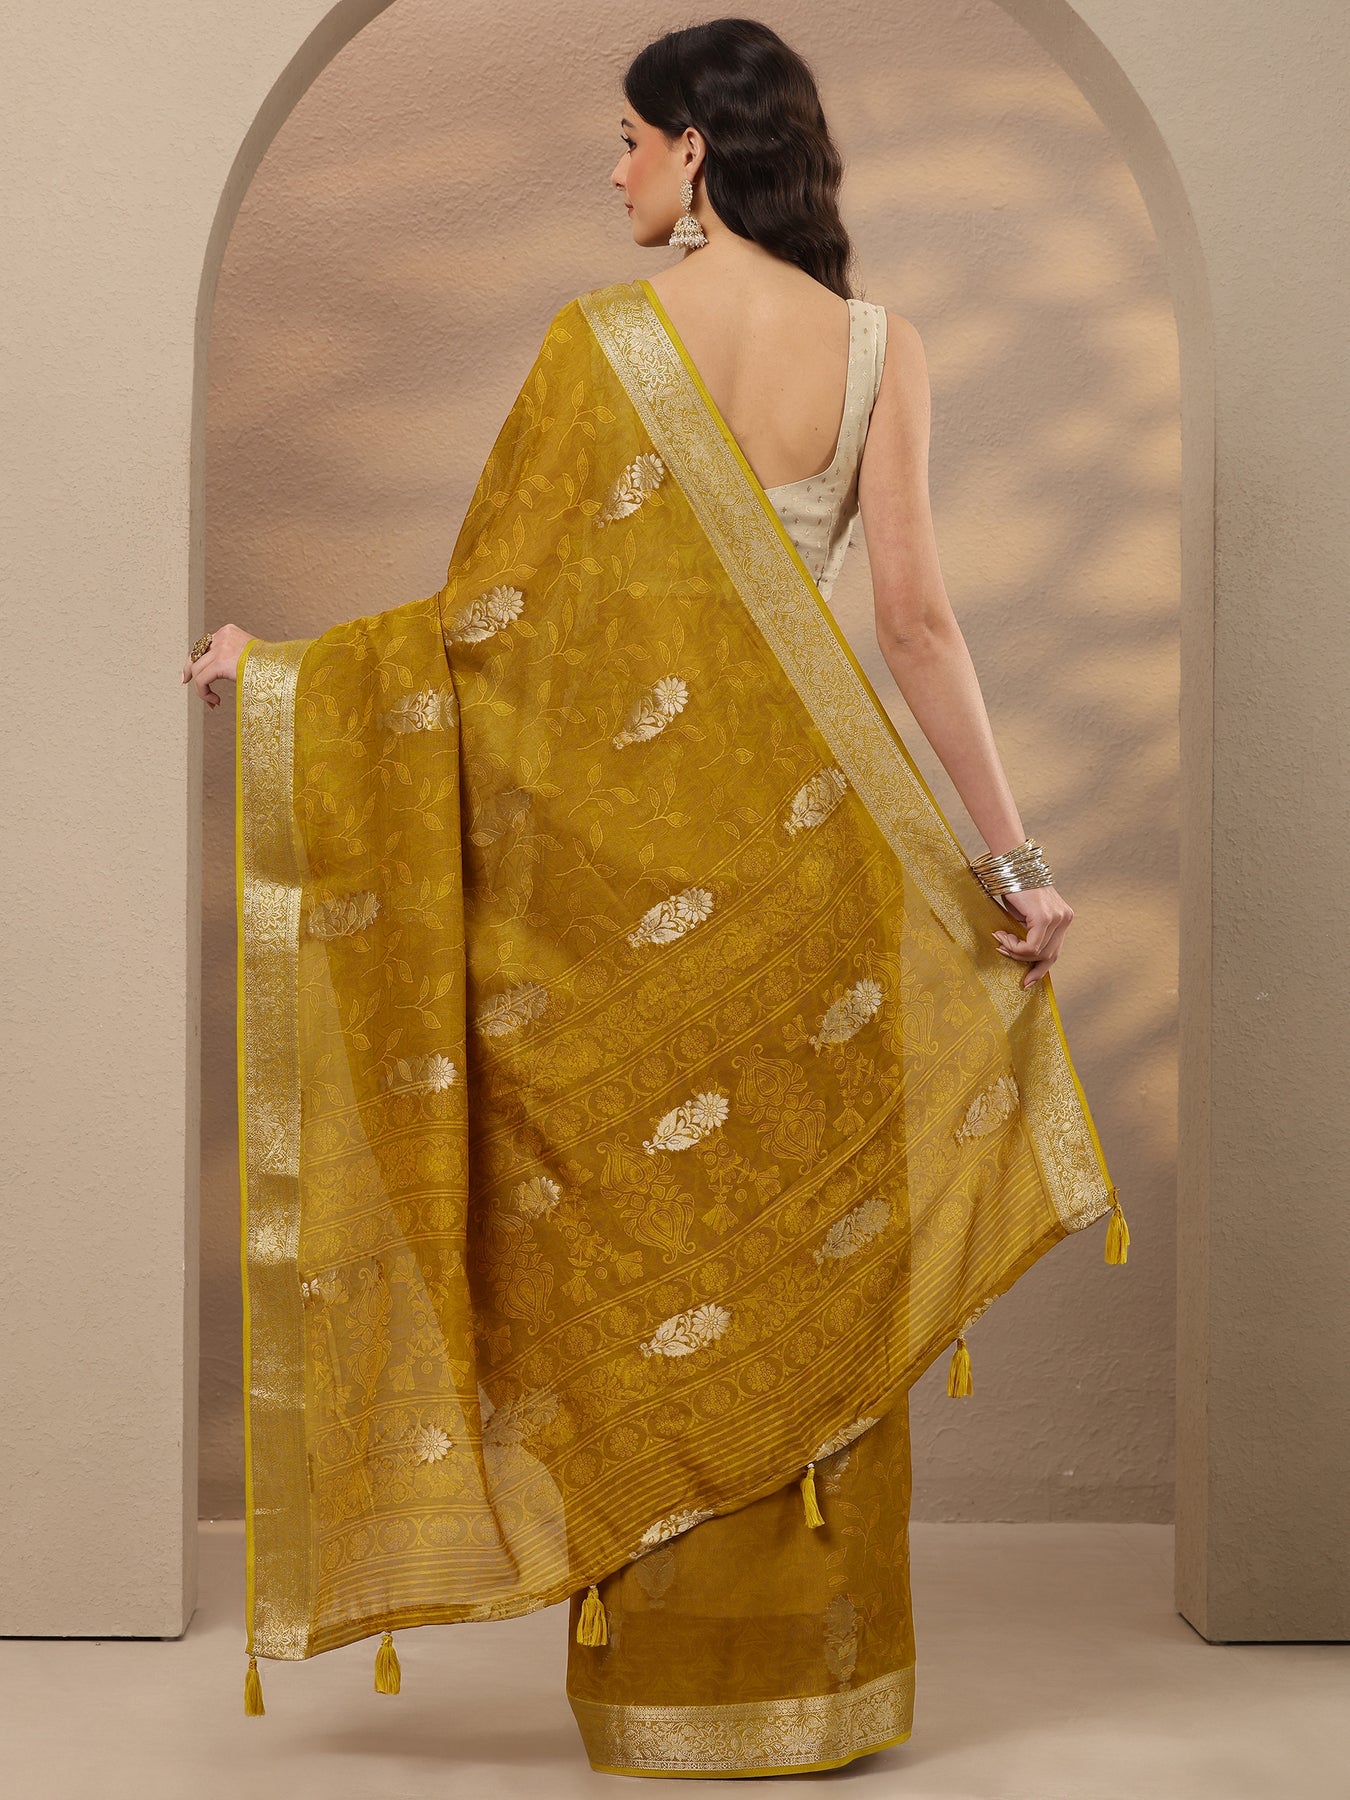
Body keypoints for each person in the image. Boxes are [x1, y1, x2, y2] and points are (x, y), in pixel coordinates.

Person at [184, 17, 1125, 1781]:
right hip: (819, 886)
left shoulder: (603, 341)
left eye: (626, 138)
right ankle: (818, 1688)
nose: (608, 170)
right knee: (805, 1253)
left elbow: (492, 639)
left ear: (696, 149)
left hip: (621, 909)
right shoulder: (877, 347)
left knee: (643, 1263)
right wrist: (1016, 866)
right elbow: (917, 626)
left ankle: (671, 1702)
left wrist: (289, 680)